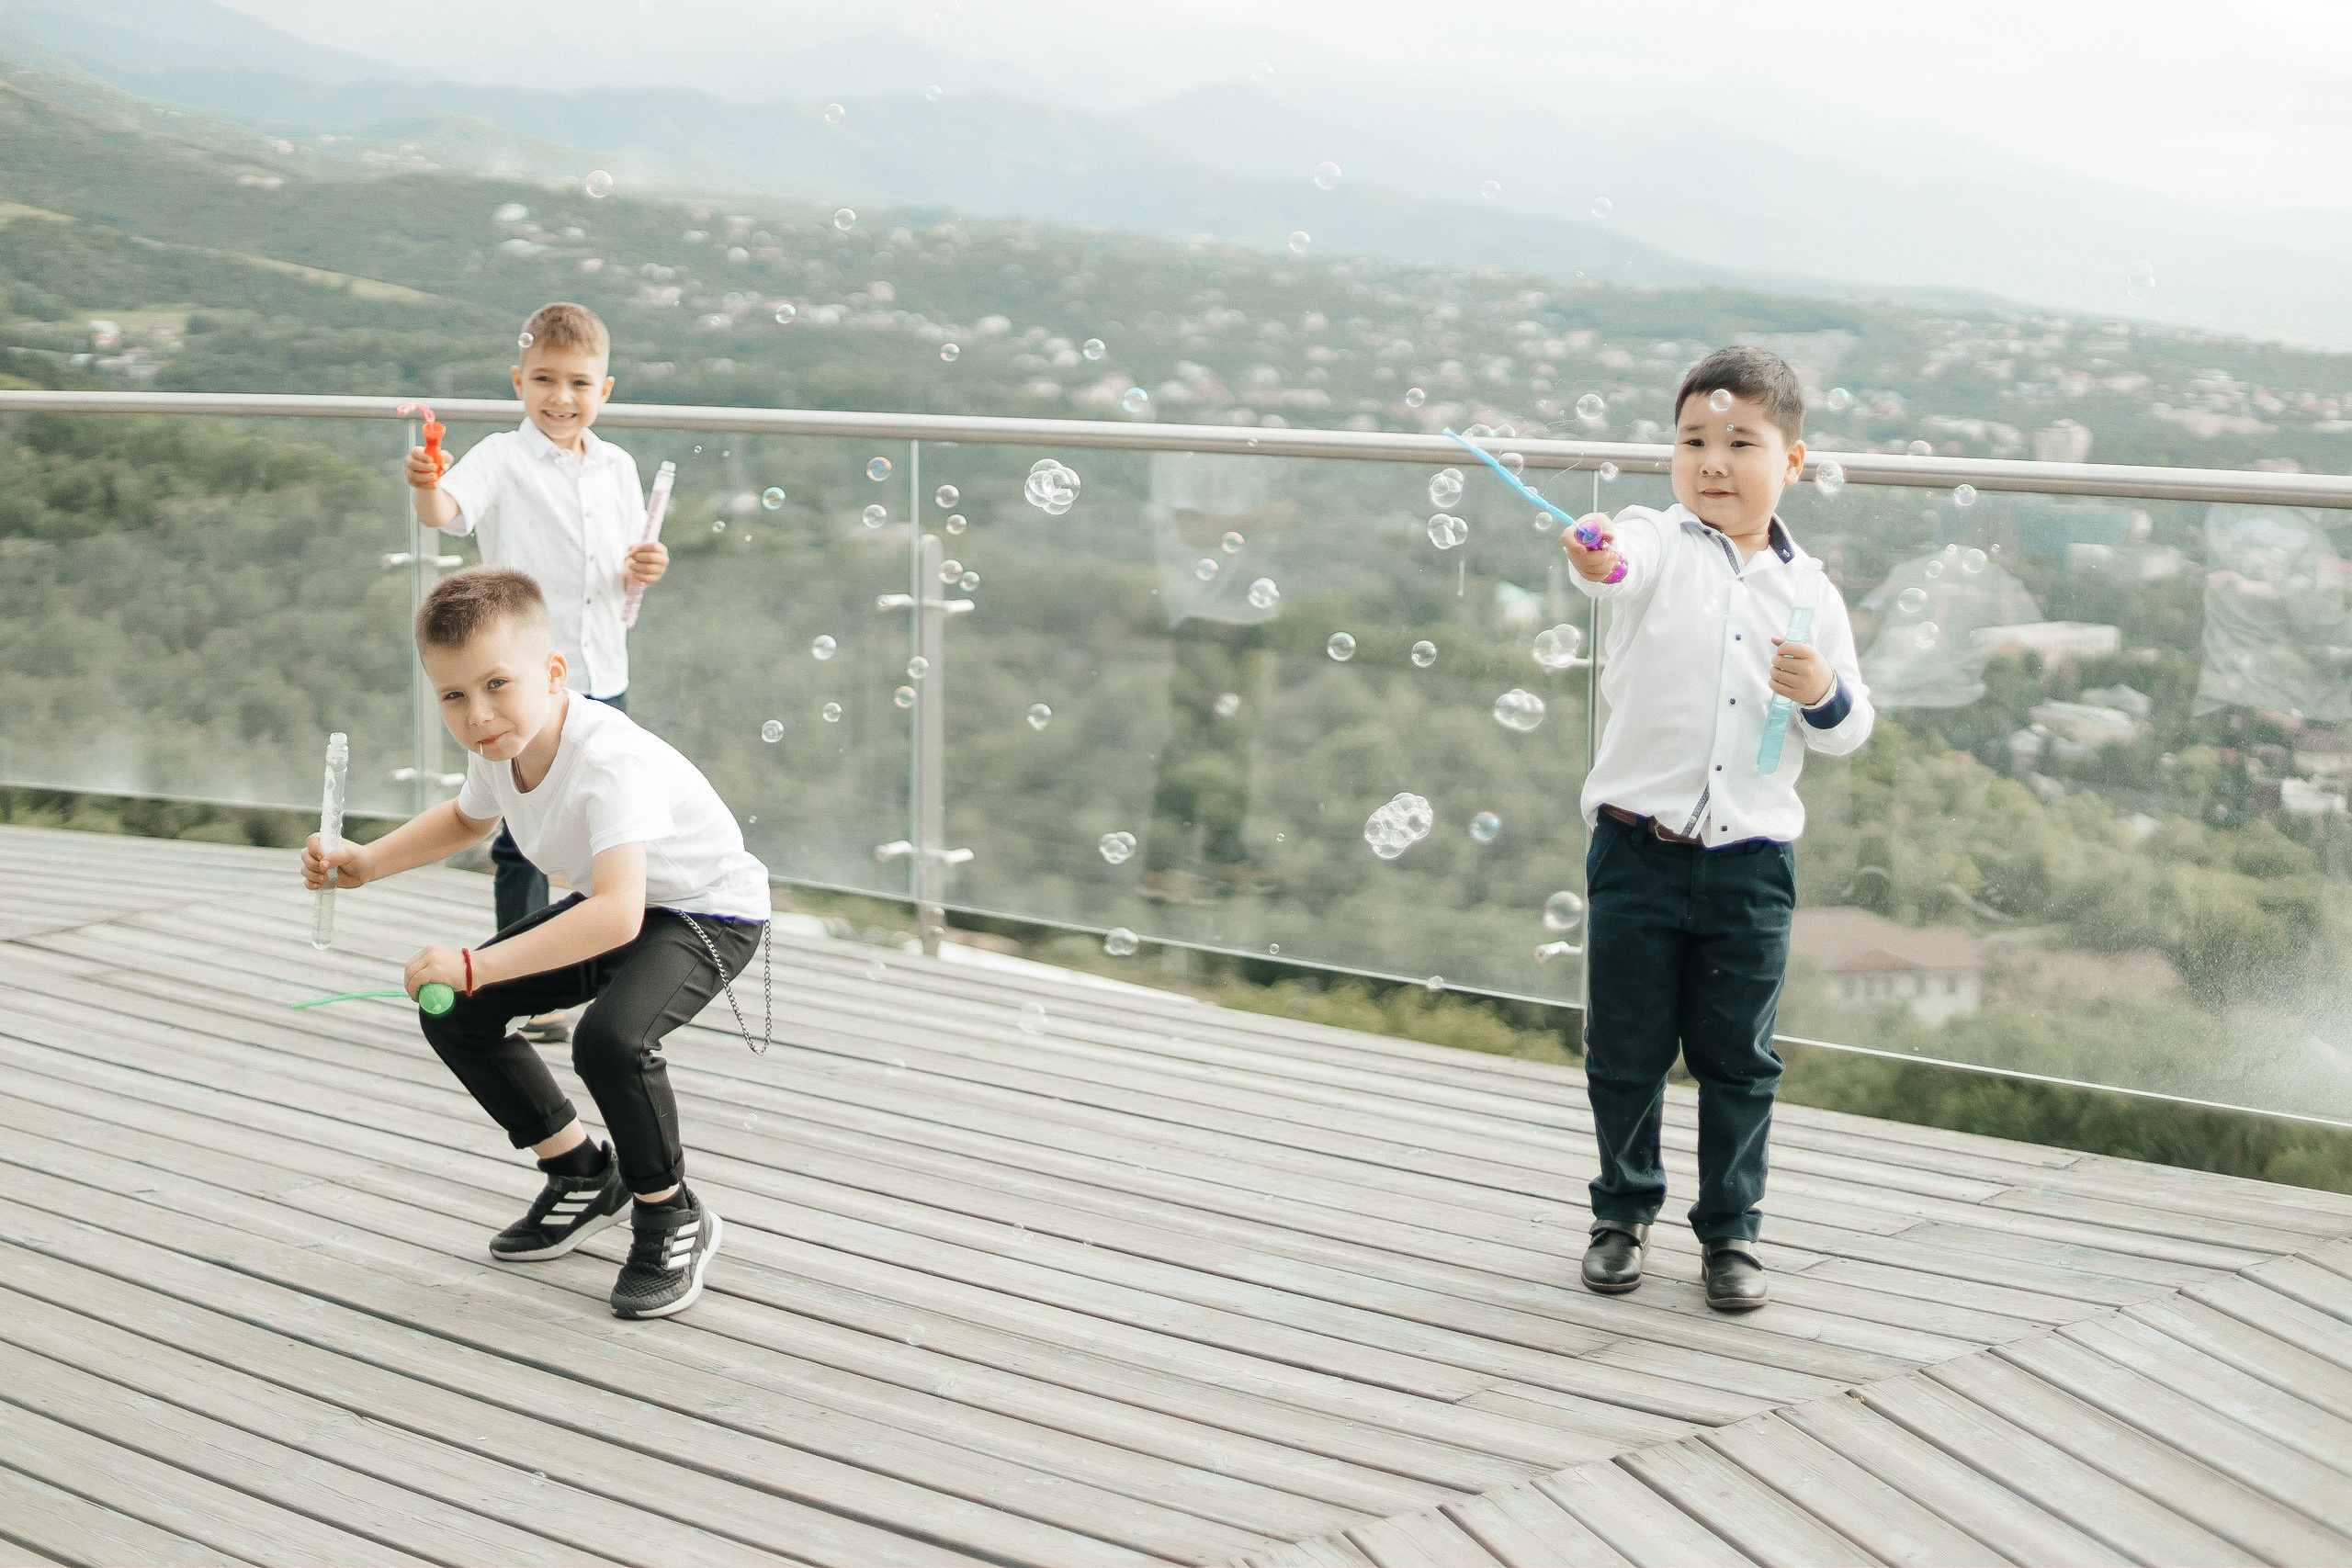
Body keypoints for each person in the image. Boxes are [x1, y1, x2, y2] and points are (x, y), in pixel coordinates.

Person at [300, 568, 769, 1320]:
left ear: (553, 673)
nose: (478, 714)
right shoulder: (501, 746)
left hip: (706, 913)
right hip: (621, 903)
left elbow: (617, 916)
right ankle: (583, 1174)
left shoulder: (608, 760)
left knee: (610, 1041)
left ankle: (669, 1209)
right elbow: (467, 818)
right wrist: (369, 861)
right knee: (458, 1011)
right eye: (454, 695)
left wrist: (476, 962)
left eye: (496, 684)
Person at [1561, 345, 1872, 1312]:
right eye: (1692, 440)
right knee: (1625, 1048)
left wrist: (1822, 691)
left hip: (1751, 864)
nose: (1712, 461)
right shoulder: (1657, 543)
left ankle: (1731, 1233)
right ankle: (1621, 1214)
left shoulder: (1811, 593)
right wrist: (1597, 555)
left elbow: (1851, 729)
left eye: (1740, 442)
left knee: (1740, 1058)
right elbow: (1614, 566)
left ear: (1792, 461)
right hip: (1635, 850)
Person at [407, 302, 670, 1044]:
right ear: (518, 381)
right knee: (519, 836)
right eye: (545, 379)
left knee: (609, 832)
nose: (562, 397)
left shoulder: (619, 468)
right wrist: (425, 482)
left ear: (604, 390)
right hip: (517, 682)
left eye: (579, 383)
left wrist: (648, 565)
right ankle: (519, 986)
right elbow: (445, 510)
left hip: (600, 673)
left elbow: (623, 565)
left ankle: (600, 974)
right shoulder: (500, 456)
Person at [1137, 451, 1295, 903]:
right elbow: (1192, 531)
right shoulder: (1189, 446)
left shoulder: (1252, 444)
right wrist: (1266, 518)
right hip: (1201, 615)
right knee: (1190, 740)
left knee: (1236, 740)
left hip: (1246, 616)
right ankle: (1162, 866)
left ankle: (1224, 855)